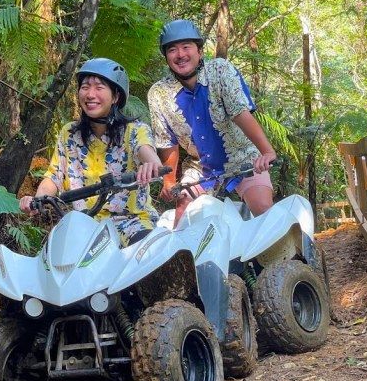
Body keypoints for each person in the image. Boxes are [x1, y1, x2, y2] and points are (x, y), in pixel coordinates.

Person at [19, 58, 163, 245]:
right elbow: (54, 176)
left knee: (148, 258)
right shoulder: (69, 134)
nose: (90, 94)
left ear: (116, 97)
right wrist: (37, 200)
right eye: (85, 87)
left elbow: (147, 152)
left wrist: (151, 165)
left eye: (99, 87)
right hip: (84, 227)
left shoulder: (135, 130)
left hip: (132, 222)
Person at [147, 20, 277, 223]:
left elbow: (240, 113)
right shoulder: (158, 93)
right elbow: (167, 142)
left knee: (263, 208)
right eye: (172, 50)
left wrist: (267, 151)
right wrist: (169, 181)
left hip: (242, 157)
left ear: (199, 50)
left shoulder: (220, 71)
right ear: (166, 57)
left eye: (186, 47)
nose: (180, 55)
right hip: (201, 166)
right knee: (183, 215)